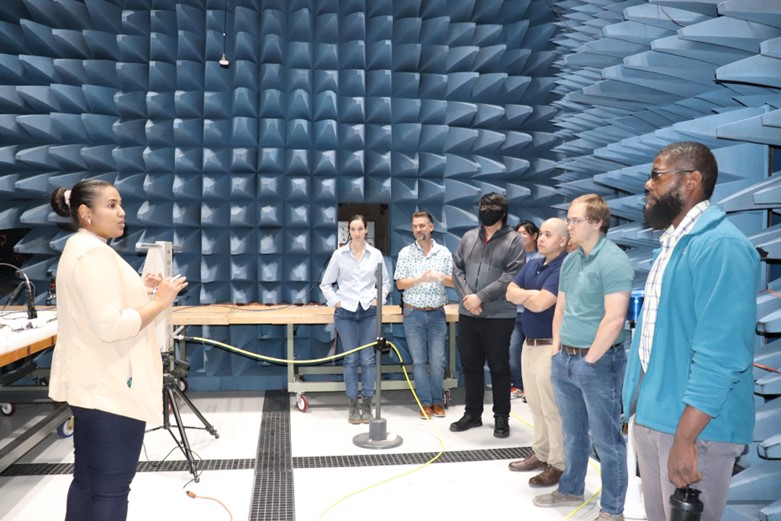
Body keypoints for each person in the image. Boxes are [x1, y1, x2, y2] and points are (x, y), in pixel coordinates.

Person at [623, 142, 760, 521]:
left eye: (657, 175)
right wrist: (635, 408)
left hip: (696, 430)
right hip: (655, 419)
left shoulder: (722, 248)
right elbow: (651, 337)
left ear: (692, 181)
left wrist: (686, 437)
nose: (648, 185)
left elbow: (723, 353)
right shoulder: (670, 246)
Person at [48, 180, 188, 521]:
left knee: (86, 483)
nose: (121, 212)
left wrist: (140, 289)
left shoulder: (80, 247)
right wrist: (160, 302)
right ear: (85, 212)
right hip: (110, 392)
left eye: (120, 203)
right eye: (111, 205)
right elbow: (112, 326)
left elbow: (97, 306)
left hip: (91, 388)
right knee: (111, 490)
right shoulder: (95, 254)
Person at [533, 194, 633, 521]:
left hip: (599, 363)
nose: (569, 225)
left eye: (575, 220)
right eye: (569, 219)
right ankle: (571, 487)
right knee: (573, 433)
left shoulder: (614, 260)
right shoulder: (572, 260)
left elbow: (615, 318)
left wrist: (589, 359)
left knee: (607, 441)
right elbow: (561, 307)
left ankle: (612, 509)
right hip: (566, 361)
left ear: (596, 223)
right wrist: (558, 351)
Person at [450, 192, 525, 438]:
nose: (486, 210)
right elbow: (457, 268)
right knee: (470, 365)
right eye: (483, 206)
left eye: (492, 207)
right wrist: (469, 298)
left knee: (499, 367)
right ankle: (472, 414)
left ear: (503, 212)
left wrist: (480, 297)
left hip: (499, 315)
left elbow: (511, 275)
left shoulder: (514, 241)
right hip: (468, 312)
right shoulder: (469, 237)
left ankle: (501, 416)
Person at [506, 218, 568, 487]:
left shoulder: (563, 266)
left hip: (548, 346)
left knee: (551, 409)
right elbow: (509, 292)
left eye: (548, 235)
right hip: (528, 346)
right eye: (540, 234)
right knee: (535, 405)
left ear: (563, 241)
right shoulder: (533, 263)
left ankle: (558, 463)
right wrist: (531, 294)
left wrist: (527, 295)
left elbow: (544, 303)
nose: (540, 238)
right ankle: (541, 453)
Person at [320, 215, 391, 425]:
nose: (357, 233)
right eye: (353, 229)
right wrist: (336, 301)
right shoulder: (339, 255)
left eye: (360, 229)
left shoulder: (376, 255)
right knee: (351, 359)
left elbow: (385, 283)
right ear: (348, 231)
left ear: (366, 230)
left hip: (369, 312)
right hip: (346, 314)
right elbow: (326, 284)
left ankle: (367, 402)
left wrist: (380, 298)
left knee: (368, 359)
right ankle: (352, 402)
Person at [394, 210, 454, 419]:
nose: (418, 229)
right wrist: (418, 279)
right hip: (413, 314)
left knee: (438, 361)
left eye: (422, 225)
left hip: (437, 314)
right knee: (419, 361)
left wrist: (440, 278)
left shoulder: (444, 253)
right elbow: (400, 284)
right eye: (415, 226)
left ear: (431, 227)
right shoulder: (405, 253)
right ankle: (425, 402)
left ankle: (438, 401)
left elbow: (454, 281)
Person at [509, 220, 540, 401]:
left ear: (534, 236)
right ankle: (518, 385)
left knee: (533, 355)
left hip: (534, 314)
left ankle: (531, 389)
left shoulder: (541, 258)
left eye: (524, 233)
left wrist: (520, 292)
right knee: (514, 353)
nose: (520, 237)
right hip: (516, 314)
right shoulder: (515, 258)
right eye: (518, 233)